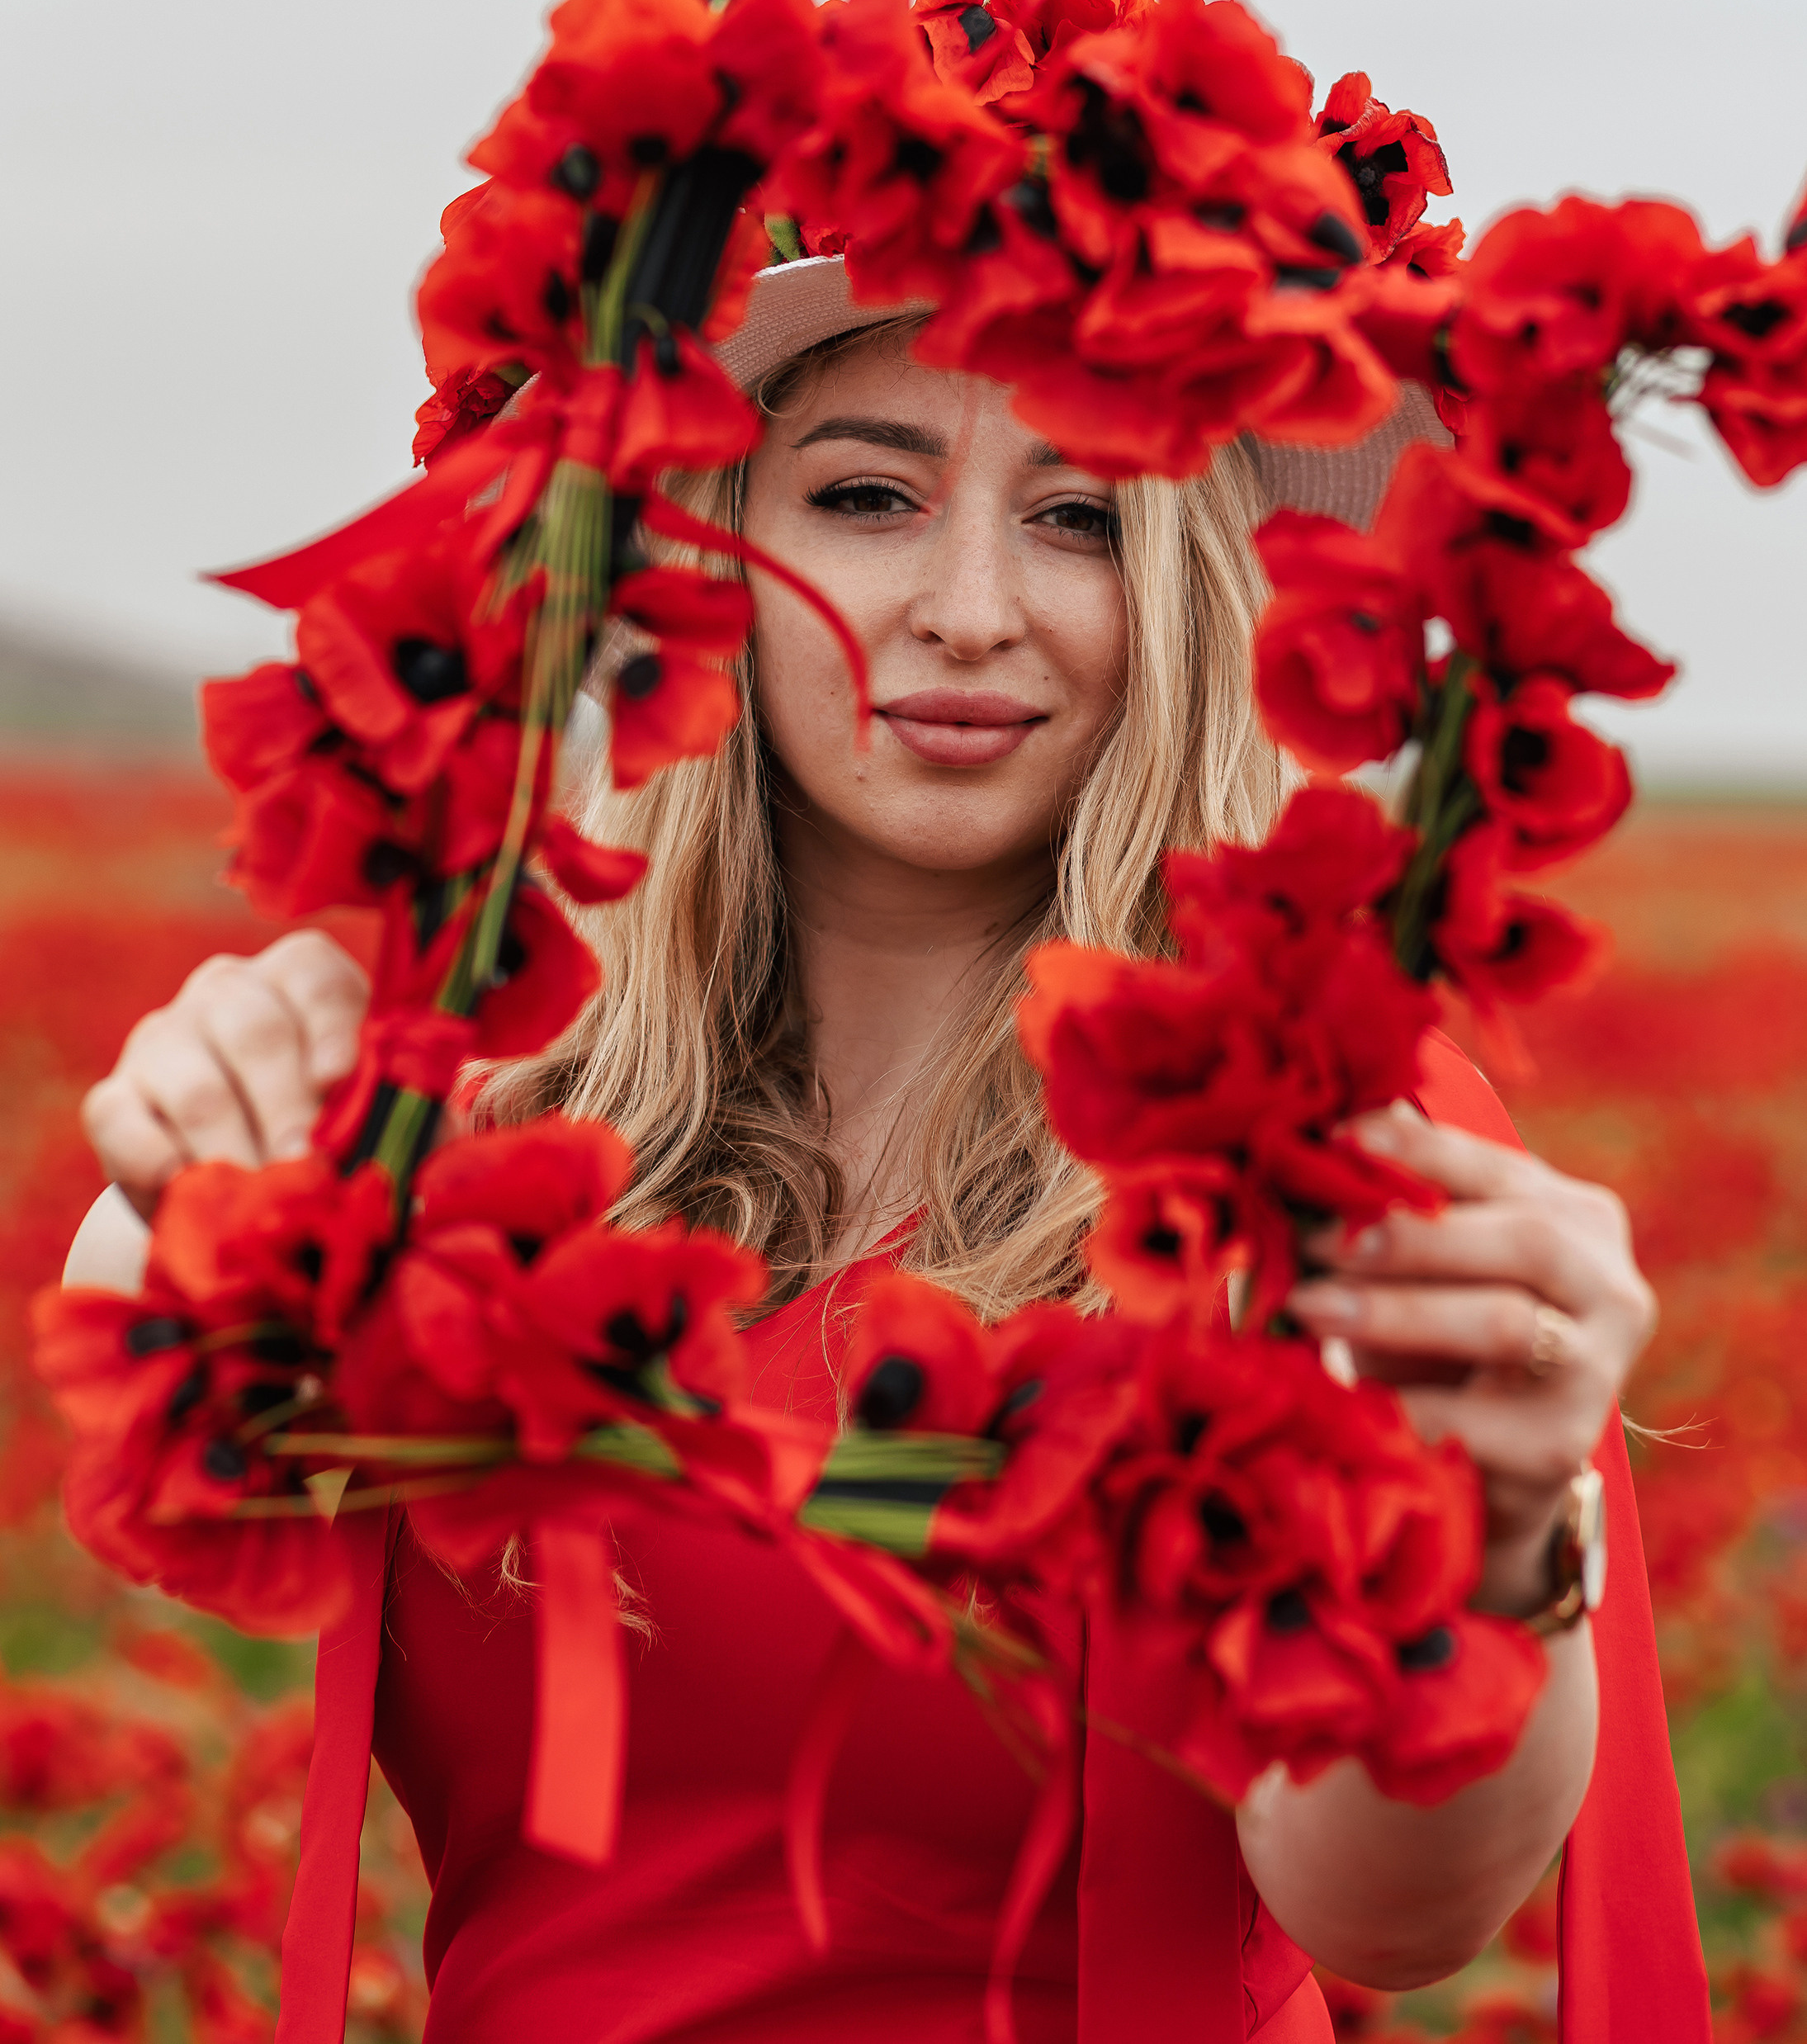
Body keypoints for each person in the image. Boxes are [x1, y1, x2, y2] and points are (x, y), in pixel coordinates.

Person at [64, 257, 1708, 2042]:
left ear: (1184, 589)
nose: (972, 609)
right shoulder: (469, 1094)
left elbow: (1396, 1913)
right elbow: (171, 1449)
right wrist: (200, 1180)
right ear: (708, 554)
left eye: (1081, 515)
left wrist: (1495, 1537)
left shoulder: (1324, 1142)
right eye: (866, 496)